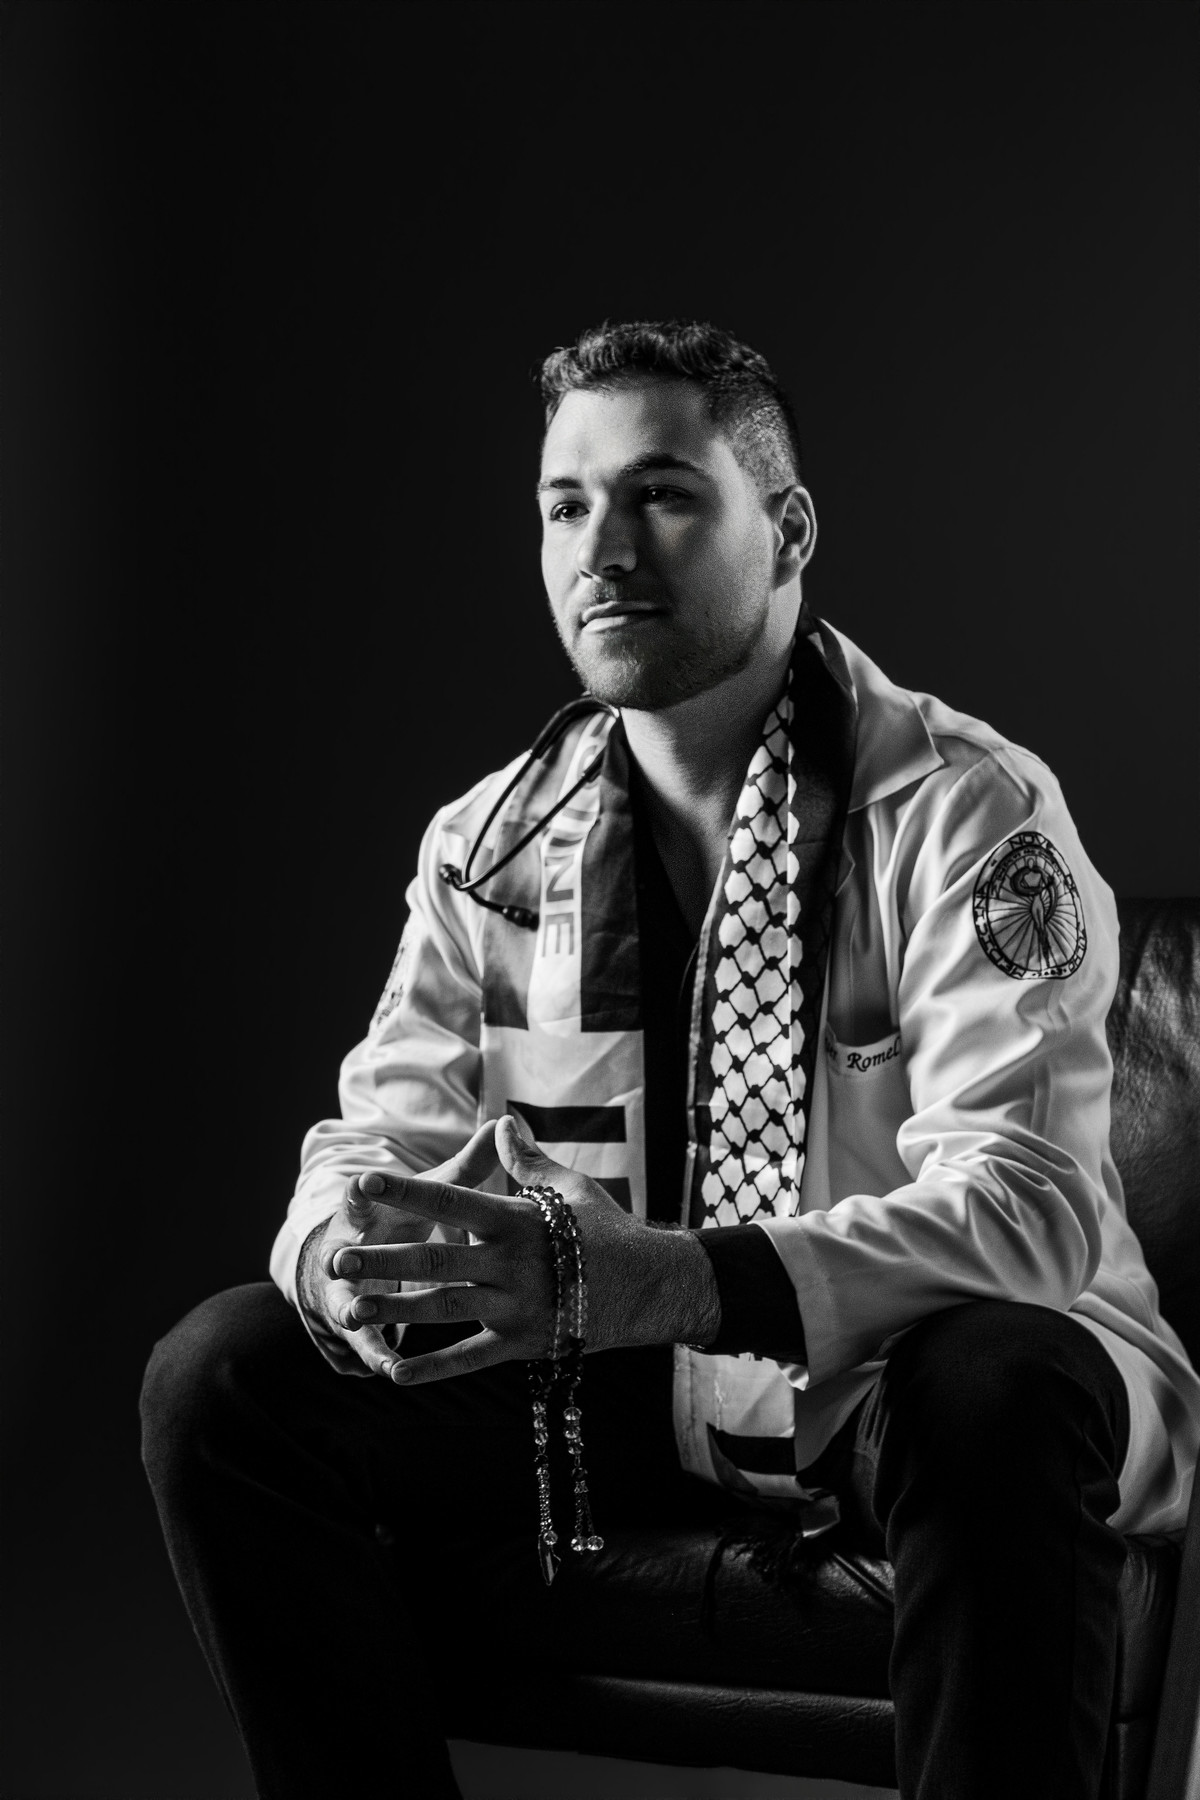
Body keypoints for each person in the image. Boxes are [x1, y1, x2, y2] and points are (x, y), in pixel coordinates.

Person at [142, 320, 1200, 1800]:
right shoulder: (489, 842)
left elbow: (1029, 1217)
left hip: (898, 1389)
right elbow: (369, 1139)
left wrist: (652, 1279)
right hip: (638, 1387)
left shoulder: (972, 810)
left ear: (790, 530)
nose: (604, 548)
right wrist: (349, 1260)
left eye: (662, 495)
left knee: (997, 1384)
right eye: (565, 505)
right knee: (222, 1379)